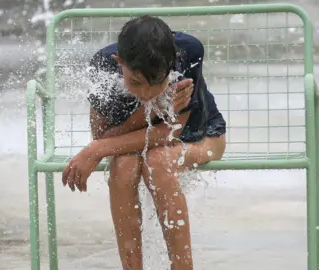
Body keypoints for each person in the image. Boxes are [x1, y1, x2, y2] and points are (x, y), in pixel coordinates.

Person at [62, 15, 227, 270]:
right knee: (124, 165)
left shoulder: (187, 52)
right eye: (136, 82)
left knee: (158, 160)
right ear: (120, 63)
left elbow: (169, 133)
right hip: (135, 145)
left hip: (204, 137)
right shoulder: (103, 66)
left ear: (169, 65)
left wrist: (95, 150)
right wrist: (155, 108)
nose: (146, 93)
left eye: (158, 83)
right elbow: (104, 137)